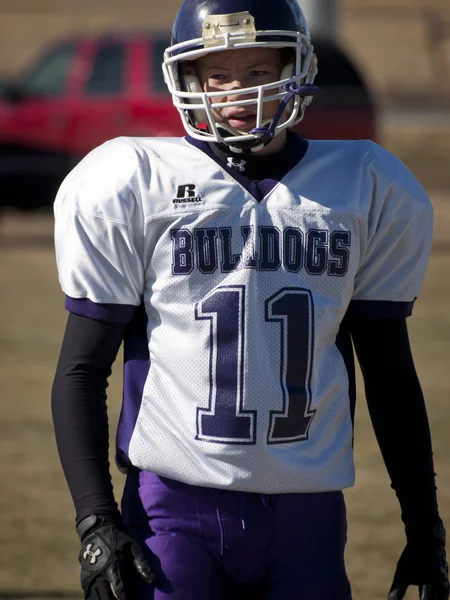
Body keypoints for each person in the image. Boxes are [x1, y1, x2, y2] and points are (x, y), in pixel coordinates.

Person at [51, 0, 449, 599]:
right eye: (219, 75)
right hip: (173, 509)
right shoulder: (134, 180)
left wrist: (424, 528)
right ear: (187, 79)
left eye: (260, 72)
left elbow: (390, 372)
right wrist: (95, 519)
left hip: (308, 513)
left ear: (297, 67)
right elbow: (81, 369)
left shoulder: (364, 186)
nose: (238, 92)